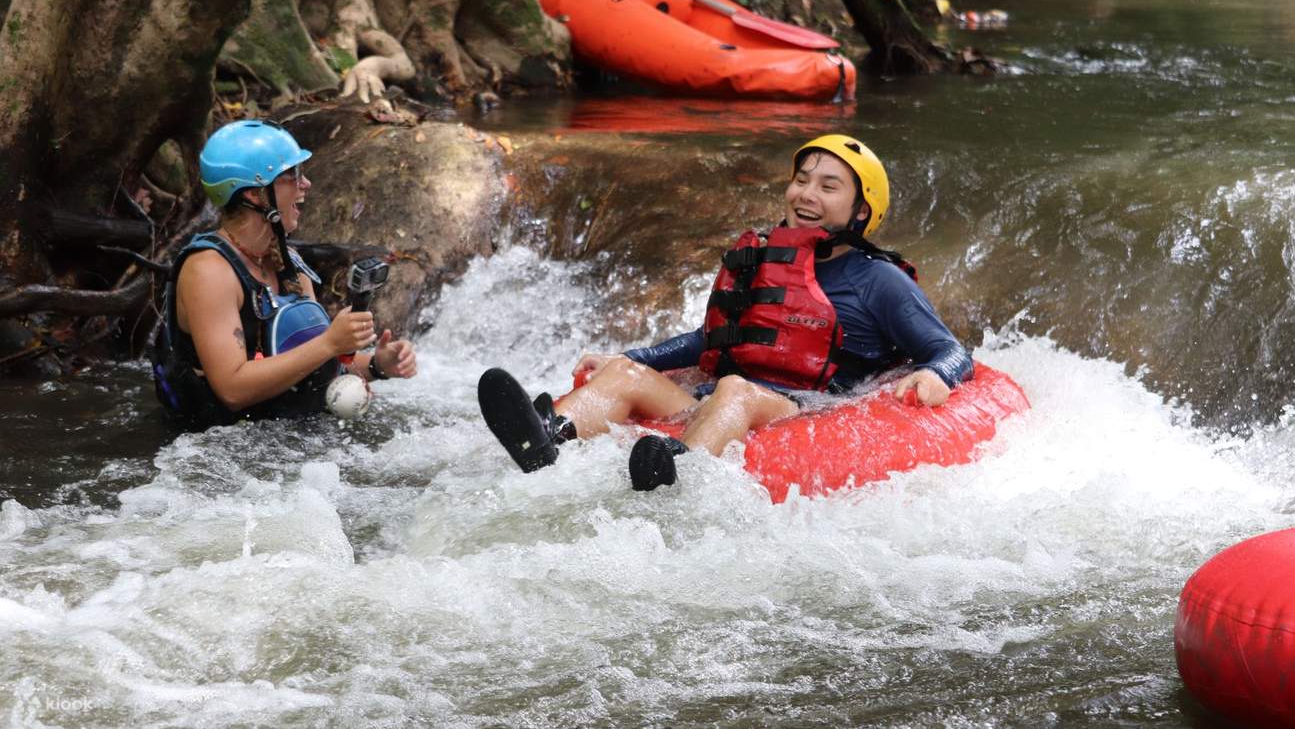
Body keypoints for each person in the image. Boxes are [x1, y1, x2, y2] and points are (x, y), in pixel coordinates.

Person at [477, 134, 971, 491]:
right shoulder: (762, 259)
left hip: (808, 410)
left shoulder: (880, 281)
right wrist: (632, 357)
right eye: (802, 180)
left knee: (735, 389)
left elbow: (950, 350)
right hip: (718, 401)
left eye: (828, 186)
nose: (806, 194)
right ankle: (548, 441)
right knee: (627, 374)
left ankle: (681, 473)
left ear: (861, 211)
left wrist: (937, 373)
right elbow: (711, 339)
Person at [152, 119, 417, 428]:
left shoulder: (287, 262)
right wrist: (330, 342)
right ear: (255, 195)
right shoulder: (209, 272)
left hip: (289, 437)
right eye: (292, 175)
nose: (306, 184)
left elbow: (310, 357)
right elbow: (232, 389)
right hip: (219, 445)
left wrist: (376, 365)